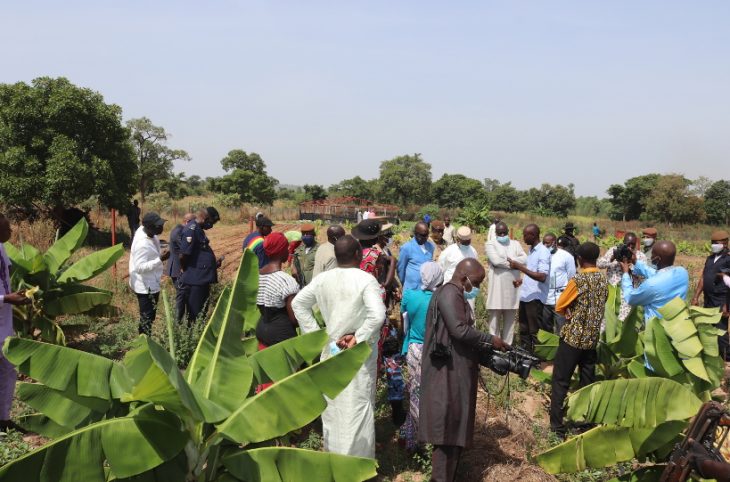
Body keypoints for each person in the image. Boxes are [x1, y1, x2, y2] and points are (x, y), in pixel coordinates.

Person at [292, 235, 386, 458]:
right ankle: (357, 464)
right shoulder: (365, 280)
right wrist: (359, 336)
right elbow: (378, 314)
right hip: (357, 355)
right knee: (358, 406)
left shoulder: (323, 279)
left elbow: (299, 304)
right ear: (358, 254)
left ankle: (334, 458)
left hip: (331, 349)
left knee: (334, 407)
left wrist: (318, 336)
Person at [419, 258, 510, 482]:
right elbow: (459, 330)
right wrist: (491, 339)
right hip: (446, 374)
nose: (476, 287)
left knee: (453, 429)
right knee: (447, 432)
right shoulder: (450, 293)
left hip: (454, 370)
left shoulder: (454, 294)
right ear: (464, 277)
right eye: (476, 282)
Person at [550, 242, 608, 437]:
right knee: (587, 382)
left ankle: (557, 427)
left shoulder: (578, 280)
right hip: (591, 339)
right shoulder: (602, 278)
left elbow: (560, 305)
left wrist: (569, 312)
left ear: (579, 260)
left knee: (560, 380)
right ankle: (584, 422)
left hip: (573, 339)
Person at [352, 219, 403, 424]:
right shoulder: (376, 256)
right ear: (377, 236)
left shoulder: (354, 255)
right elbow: (387, 282)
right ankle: (397, 411)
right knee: (389, 360)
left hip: (358, 314)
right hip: (378, 311)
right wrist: (391, 269)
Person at [400, 261, 443, 452]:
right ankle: (427, 437)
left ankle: (413, 436)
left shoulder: (410, 295)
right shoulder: (441, 299)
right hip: (434, 349)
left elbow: (404, 317)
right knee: (433, 393)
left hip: (414, 349)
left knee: (415, 391)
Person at [0, 214, 31, 432]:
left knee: (8, 371)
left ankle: (3, 419)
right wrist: (7, 298)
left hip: (4, 322)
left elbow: (7, 271)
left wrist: (17, 294)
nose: (11, 230)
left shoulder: (1, 247)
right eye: (6, 227)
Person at [621, 240, 689, 322]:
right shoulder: (682, 272)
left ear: (657, 259)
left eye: (652, 254)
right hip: (677, 324)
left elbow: (630, 298)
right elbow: (658, 275)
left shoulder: (651, 285)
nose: (650, 257)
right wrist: (636, 262)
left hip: (658, 329)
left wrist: (625, 274)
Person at [509, 224, 551, 352]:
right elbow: (532, 271)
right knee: (524, 328)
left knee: (534, 331)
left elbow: (542, 276)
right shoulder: (532, 250)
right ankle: (525, 354)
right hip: (526, 295)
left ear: (533, 235)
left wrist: (519, 267)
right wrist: (521, 281)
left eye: (525, 235)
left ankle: (537, 359)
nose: (523, 238)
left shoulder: (543, 252)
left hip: (535, 298)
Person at [256, 232, 300, 351]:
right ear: (281, 251)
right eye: (286, 248)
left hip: (261, 330)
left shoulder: (257, 276)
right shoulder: (285, 281)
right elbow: (294, 319)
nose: (287, 251)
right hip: (281, 335)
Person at [485, 222, 527, 344]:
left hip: (512, 289)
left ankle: (507, 348)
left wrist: (511, 263)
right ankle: (494, 348)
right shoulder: (490, 244)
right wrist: (515, 265)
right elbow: (496, 261)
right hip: (496, 289)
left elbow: (525, 258)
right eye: (500, 233)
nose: (502, 235)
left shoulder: (515, 244)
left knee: (510, 322)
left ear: (508, 231)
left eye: (504, 232)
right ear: (496, 233)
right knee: (494, 323)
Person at [179, 207, 222, 324]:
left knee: (201, 313)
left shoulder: (198, 229)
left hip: (201, 279)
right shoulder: (191, 229)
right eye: (212, 222)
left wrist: (212, 264)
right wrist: (186, 270)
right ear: (206, 218)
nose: (211, 226)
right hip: (195, 280)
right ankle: (192, 338)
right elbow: (183, 256)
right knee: (194, 315)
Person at [129, 212, 170, 335]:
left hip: (152, 281)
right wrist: (160, 259)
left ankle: (146, 338)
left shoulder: (147, 232)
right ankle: (144, 342)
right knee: (147, 318)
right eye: (158, 226)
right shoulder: (142, 244)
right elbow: (140, 268)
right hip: (146, 286)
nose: (161, 227)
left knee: (149, 316)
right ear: (150, 227)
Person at [691, 230, 730, 358]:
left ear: (725, 243)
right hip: (708, 298)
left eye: (717, 243)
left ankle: (726, 356)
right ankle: (713, 354)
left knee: (720, 329)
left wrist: (727, 305)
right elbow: (703, 277)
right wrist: (696, 296)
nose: (714, 245)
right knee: (708, 327)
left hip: (722, 299)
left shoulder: (728, 259)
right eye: (712, 243)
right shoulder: (710, 258)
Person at [596, 231, 647, 320]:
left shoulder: (640, 256)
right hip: (613, 295)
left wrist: (633, 266)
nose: (630, 247)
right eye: (628, 244)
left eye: (633, 244)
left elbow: (644, 277)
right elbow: (599, 264)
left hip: (630, 299)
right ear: (623, 242)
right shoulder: (614, 250)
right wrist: (611, 259)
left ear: (636, 244)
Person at [543, 234, 577, 334]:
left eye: (547, 243)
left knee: (561, 330)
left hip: (560, 298)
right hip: (545, 298)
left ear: (554, 243)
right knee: (546, 330)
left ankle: (561, 349)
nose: (545, 246)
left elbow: (572, 277)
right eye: (543, 243)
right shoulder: (542, 255)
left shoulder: (566, 256)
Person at [166, 212, 194, 323]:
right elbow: (186, 248)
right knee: (181, 296)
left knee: (185, 296)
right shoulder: (178, 231)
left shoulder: (183, 230)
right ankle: (177, 325)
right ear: (187, 222)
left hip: (182, 268)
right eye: (192, 223)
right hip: (178, 269)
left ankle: (184, 323)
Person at [397, 222, 435, 291]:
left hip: (426, 290)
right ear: (416, 234)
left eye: (427, 235)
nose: (426, 238)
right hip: (412, 289)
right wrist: (406, 284)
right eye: (423, 235)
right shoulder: (406, 248)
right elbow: (401, 269)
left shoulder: (430, 246)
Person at [291, 223, 319, 287]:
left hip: (313, 286)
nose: (305, 236)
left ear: (313, 234)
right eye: (304, 234)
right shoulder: (298, 250)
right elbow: (294, 264)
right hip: (301, 286)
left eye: (308, 234)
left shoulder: (319, 250)